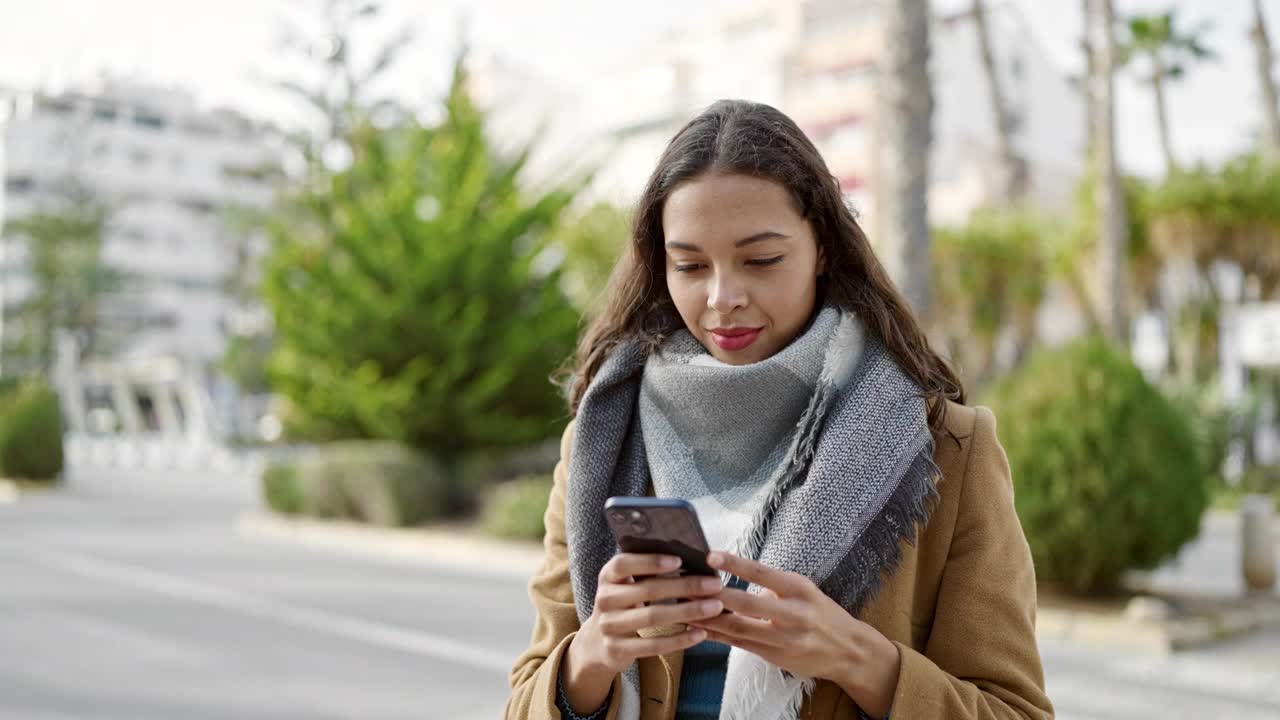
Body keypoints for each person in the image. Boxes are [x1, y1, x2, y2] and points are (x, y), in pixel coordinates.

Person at [505, 99, 1054, 720]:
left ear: (823, 248)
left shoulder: (946, 447)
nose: (722, 298)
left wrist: (858, 658)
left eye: (761, 260)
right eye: (689, 265)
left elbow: (1018, 712)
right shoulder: (605, 438)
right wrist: (592, 657)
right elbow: (523, 701)